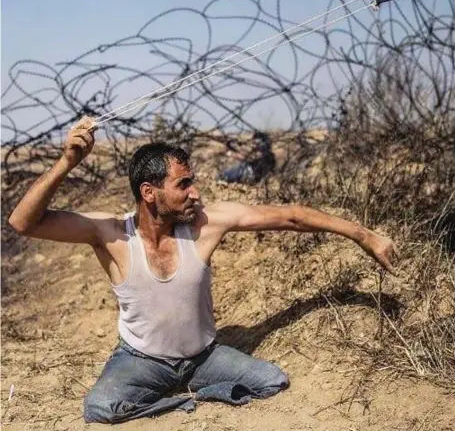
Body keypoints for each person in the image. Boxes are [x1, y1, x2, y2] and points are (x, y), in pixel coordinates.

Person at [8, 116, 398, 424]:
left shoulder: (205, 224)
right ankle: (182, 402)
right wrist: (67, 162)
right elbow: (23, 223)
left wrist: (363, 235)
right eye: (184, 184)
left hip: (203, 357)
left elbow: (291, 217)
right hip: (142, 360)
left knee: (273, 381)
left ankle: (196, 390)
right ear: (150, 192)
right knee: (101, 409)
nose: (195, 192)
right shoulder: (111, 234)